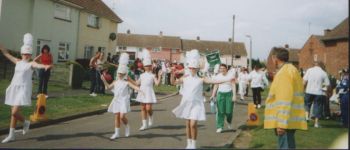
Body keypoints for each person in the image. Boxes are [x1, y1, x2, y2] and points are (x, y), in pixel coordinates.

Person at [172, 49, 234, 149]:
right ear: (189, 68)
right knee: (188, 124)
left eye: (194, 68)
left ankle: (194, 144)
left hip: (196, 104)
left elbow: (214, 81)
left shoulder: (201, 79)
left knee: (193, 124)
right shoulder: (185, 78)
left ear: (197, 69)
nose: (192, 69)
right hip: (186, 103)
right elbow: (174, 83)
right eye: (191, 67)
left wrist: (228, 79)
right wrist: (172, 73)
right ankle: (189, 143)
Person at [0, 33, 52, 143]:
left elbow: (38, 65)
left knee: (14, 112)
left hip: (22, 90)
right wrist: (2, 46)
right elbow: (6, 53)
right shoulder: (17, 61)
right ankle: (11, 135)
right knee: (13, 114)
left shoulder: (31, 64)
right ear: (21, 53)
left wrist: (45, 66)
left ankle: (25, 122)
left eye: (28, 54)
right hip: (14, 88)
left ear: (30, 54)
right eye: (24, 54)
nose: (26, 56)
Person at [264, 47, 307, 149]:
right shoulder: (292, 70)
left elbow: (284, 100)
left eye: (271, 58)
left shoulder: (284, 73)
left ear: (275, 58)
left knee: (285, 146)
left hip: (285, 121)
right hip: (290, 117)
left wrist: (282, 123)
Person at [101, 53, 143, 139]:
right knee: (116, 116)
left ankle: (127, 126)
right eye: (119, 73)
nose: (119, 75)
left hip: (124, 100)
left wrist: (141, 90)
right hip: (116, 100)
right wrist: (103, 80)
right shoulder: (115, 82)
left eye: (121, 73)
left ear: (124, 74)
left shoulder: (126, 82)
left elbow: (134, 86)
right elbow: (108, 88)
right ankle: (117, 133)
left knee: (122, 116)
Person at [133, 49, 162, 131]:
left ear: (151, 66)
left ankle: (151, 116)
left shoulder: (153, 75)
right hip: (142, 92)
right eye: (146, 66)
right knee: (143, 108)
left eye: (149, 65)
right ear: (144, 67)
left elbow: (157, 84)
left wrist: (159, 76)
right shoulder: (141, 75)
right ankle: (144, 124)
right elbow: (136, 83)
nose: (147, 67)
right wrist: (128, 79)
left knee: (148, 108)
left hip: (149, 92)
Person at [210, 64, 236, 133]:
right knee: (220, 111)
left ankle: (229, 122)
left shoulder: (231, 75)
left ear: (226, 69)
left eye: (223, 68)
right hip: (220, 94)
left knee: (229, 111)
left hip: (229, 94)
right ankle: (220, 127)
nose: (222, 69)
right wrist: (213, 95)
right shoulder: (218, 76)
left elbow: (233, 85)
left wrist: (234, 95)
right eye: (221, 68)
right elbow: (215, 86)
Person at [303, 61, 330, 128]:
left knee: (307, 104)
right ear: (321, 65)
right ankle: (316, 123)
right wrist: (329, 92)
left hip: (309, 91)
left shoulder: (309, 70)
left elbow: (304, 81)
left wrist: (303, 90)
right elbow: (328, 85)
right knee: (318, 107)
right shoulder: (324, 73)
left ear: (315, 65)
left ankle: (306, 117)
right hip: (319, 92)